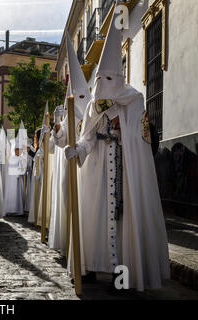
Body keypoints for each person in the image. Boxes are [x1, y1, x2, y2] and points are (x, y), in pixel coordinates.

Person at [65, 9, 170, 292]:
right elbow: (86, 137)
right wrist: (78, 151)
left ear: (118, 78)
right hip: (98, 174)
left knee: (124, 223)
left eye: (109, 79)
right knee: (95, 219)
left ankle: (122, 274)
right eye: (101, 80)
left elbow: (142, 138)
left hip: (126, 172)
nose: (103, 86)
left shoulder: (134, 101)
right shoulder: (92, 106)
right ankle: (88, 266)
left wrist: (122, 130)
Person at [48, 34, 91, 258]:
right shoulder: (68, 114)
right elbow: (61, 139)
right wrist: (57, 130)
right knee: (68, 203)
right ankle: (69, 246)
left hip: (89, 167)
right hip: (70, 166)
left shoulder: (94, 111)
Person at [4, 122, 28, 216]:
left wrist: (19, 173)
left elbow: (22, 168)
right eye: (16, 149)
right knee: (10, 193)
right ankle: (9, 209)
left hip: (17, 179)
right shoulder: (11, 157)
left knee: (17, 195)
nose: (17, 151)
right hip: (11, 178)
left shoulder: (21, 157)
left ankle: (17, 209)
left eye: (19, 149)